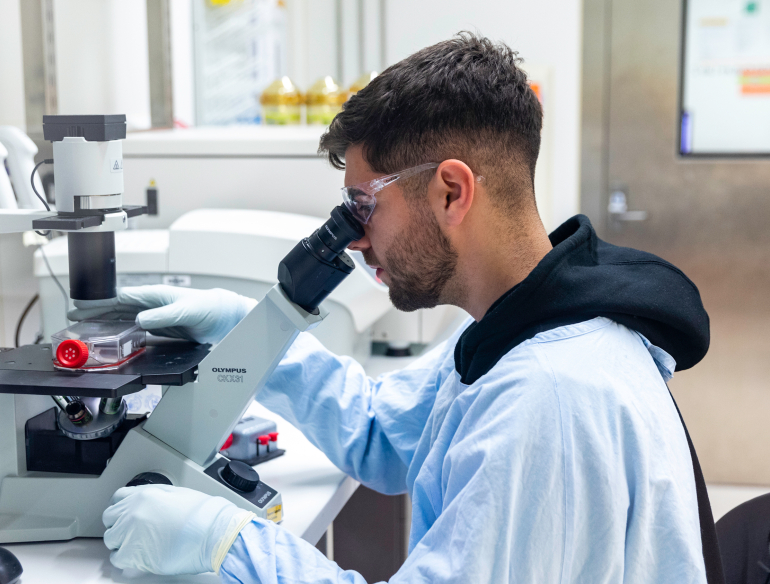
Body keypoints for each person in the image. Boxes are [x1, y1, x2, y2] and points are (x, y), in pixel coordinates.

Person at [75, 33, 713, 583]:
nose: (352, 239)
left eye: (364, 205)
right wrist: (252, 334)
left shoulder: (547, 394)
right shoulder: (523, 324)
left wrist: (228, 542)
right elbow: (385, 431)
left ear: (451, 192)